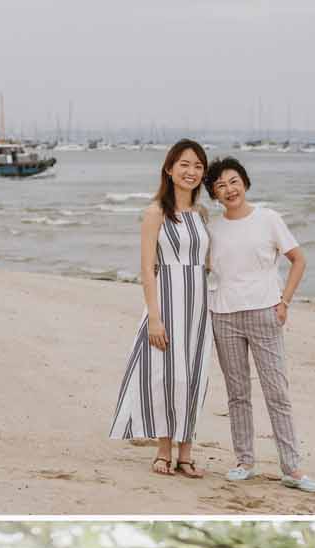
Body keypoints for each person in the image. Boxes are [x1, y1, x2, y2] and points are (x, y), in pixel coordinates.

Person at [203, 158, 315, 494]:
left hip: (264, 313)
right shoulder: (213, 230)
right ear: (214, 194)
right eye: (220, 186)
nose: (229, 189)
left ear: (244, 181)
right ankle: (244, 461)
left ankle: (292, 468)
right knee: (237, 393)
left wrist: (284, 301)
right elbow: (201, 270)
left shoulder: (268, 219)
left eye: (233, 181)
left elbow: (298, 259)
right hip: (224, 315)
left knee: (277, 392)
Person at [109, 140, 213, 479]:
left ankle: (187, 453)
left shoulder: (202, 214)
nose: (191, 171)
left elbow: (208, 264)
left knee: (194, 377)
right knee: (168, 376)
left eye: (198, 166)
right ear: (169, 169)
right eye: (184, 164)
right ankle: (164, 450)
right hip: (167, 301)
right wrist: (154, 317)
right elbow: (147, 268)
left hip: (198, 306)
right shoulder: (156, 212)